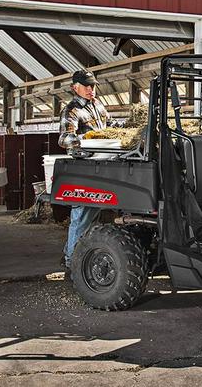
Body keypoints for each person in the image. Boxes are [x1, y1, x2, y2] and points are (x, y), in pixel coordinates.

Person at [58, 69, 110, 269]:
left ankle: (72, 253)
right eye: (86, 86)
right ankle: (72, 262)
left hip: (101, 164)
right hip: (83, 167)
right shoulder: (71, 110)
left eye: (93, 85)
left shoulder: (98, 104)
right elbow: (64, 139)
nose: (91, 89)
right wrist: (86, 140)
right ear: (75, 87)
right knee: (81, 214)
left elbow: (108, 125)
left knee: (94, 215)